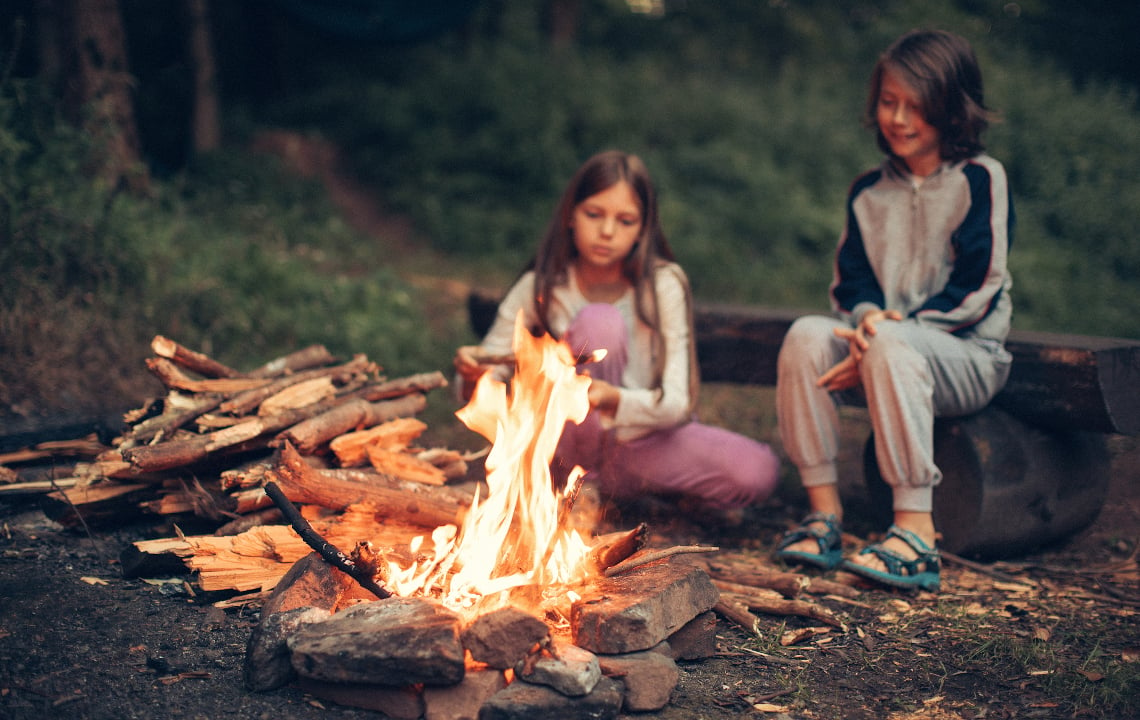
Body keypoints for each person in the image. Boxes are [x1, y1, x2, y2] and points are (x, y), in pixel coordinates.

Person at [773, 29, 1014, 591]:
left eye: (917, 106)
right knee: (806, 334)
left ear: (953, 107)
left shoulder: (981, 178)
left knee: (889, 343)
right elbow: (852, 279)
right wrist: (867, 324)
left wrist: (890, 334)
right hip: (879, 348)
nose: (899, 118)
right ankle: (824, 515)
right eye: (888, 102)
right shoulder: (867, 192)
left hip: (964, 356)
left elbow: (980, 283)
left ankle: (916, 531)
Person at [454, 149, 780, 515]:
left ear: (644, 228)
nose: (607, 231)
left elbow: (677, 403)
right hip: (564, 446)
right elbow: (485, 381)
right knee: (599, 323)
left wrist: (615, 399)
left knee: (757, 470)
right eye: (594, 214)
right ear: (570, 215)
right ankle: (581, 490)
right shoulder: (541, 286)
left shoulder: (664, 284)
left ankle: (622, 490)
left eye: (625, 221)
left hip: (642, 444)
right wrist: (472, 376)